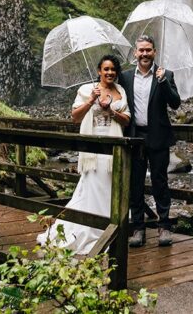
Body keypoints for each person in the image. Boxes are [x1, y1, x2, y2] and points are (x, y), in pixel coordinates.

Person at [37, 54, 130, 254]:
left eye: (113, 69)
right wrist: (92, 100)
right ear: (99, 71)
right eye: (106, 69)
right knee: (92, 185)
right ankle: (88, 229)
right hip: (93, 146)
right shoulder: (87, 90)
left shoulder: (121, 90)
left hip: (115, 145)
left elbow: (127, 120)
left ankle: (109, 227)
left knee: (110, 186)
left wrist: (112, 111)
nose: (110, 72)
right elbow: (75, 117)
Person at [119, 34, 181, 248]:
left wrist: (163, 82)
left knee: (160, 181)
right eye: (141, 50)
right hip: (135, 136)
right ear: (135, 53)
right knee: (134, 183)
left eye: (148, 50)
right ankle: (138, 228)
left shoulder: (166, 75)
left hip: (158, 136)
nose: (145, 54)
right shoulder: (125, 77)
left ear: (154, 52)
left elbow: (175, 103)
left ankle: (164, 226)